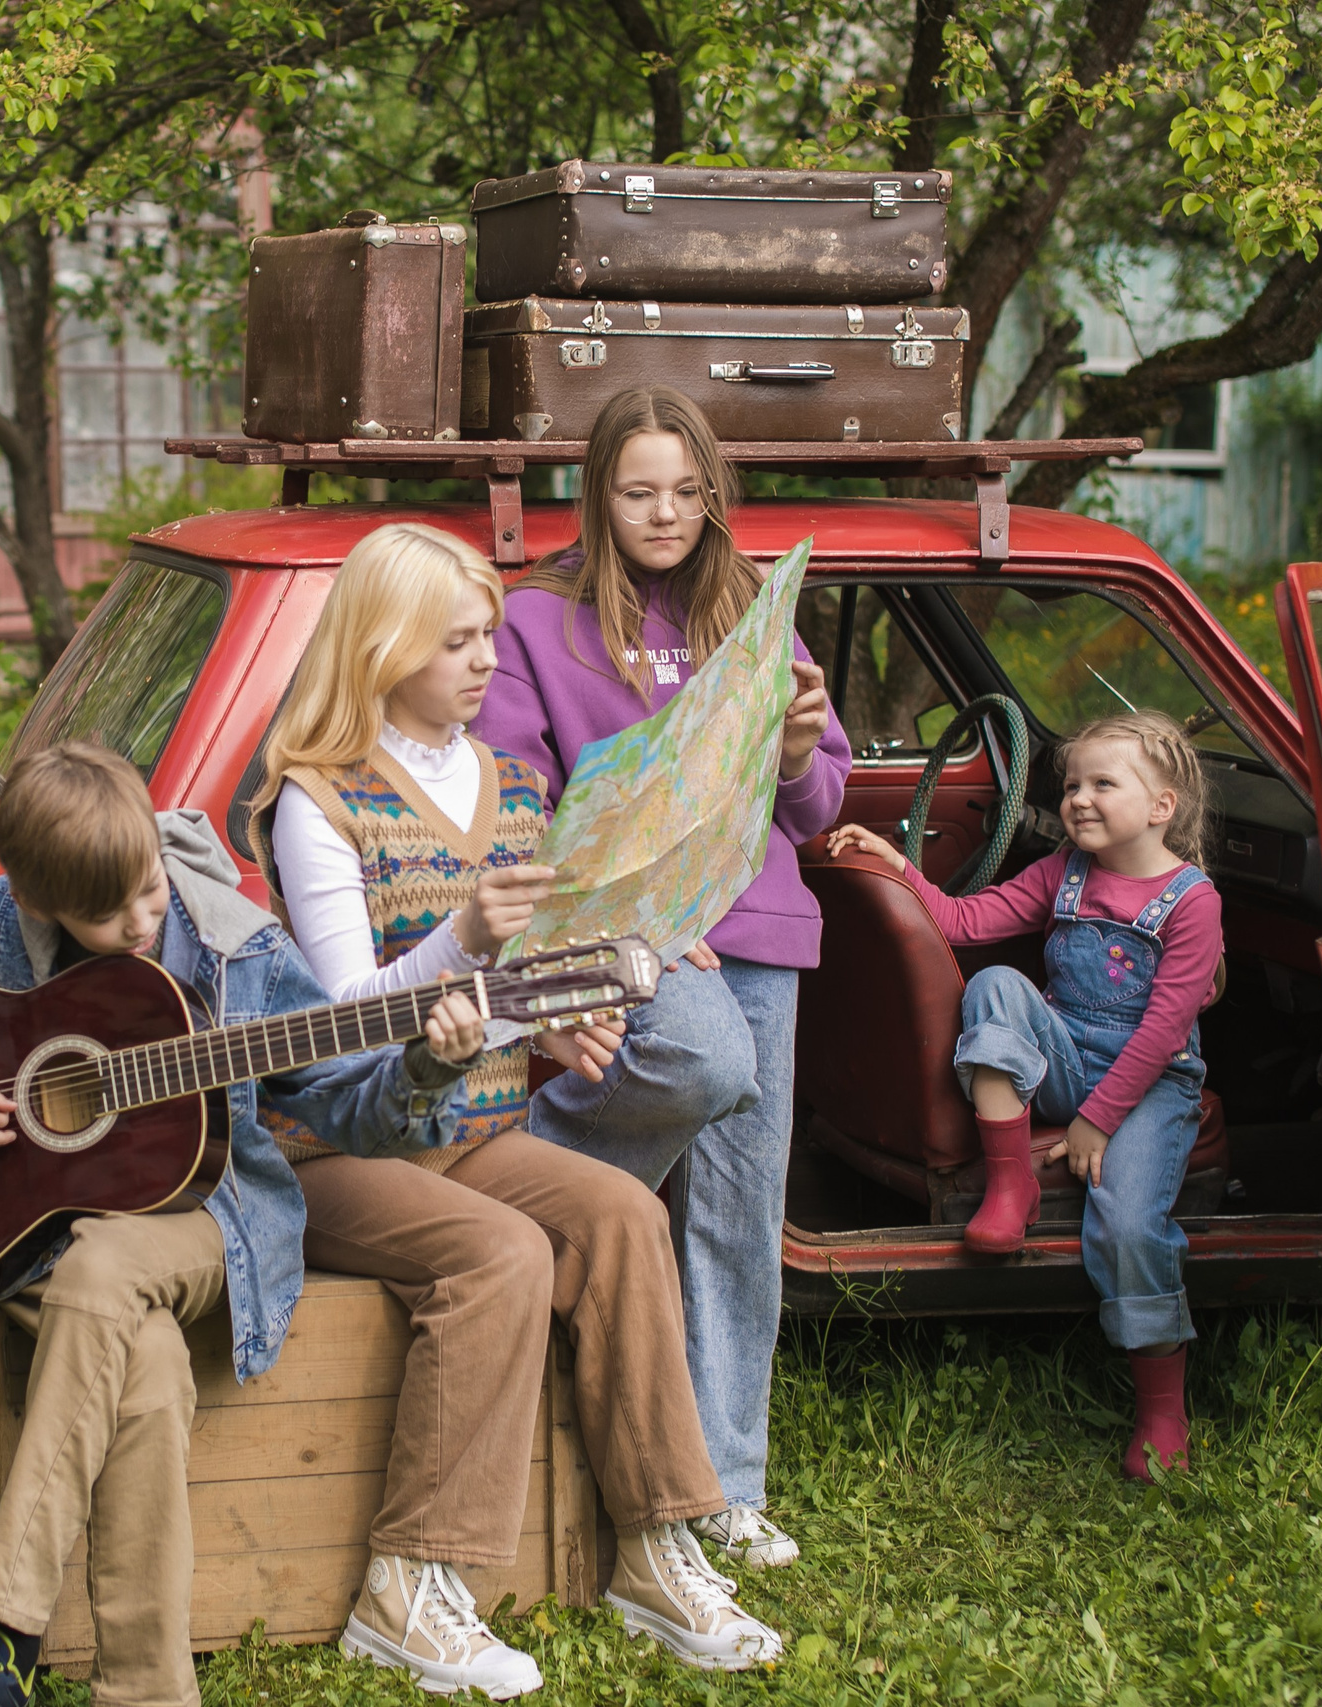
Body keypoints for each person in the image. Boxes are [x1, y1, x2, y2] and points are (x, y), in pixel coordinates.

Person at [0, 742, 491, 1707]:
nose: (143, 921)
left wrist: (427, 1067)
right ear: (36, 898)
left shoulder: (238, 948)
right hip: (26, 1231)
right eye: (110, 914)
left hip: (207, 1219)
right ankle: (147, 1693)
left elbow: (349, 1107)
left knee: (107, 1266)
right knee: (143, 1370)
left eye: (148, 888)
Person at [249, 522, 784, 1696]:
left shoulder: (523, 786)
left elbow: (521, 974)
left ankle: (651, 1544)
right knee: (498, 1255)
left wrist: (569, 1002)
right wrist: (463, 939)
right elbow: (343, 1017)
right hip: (341, 1148)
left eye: (490, 633)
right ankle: (408, 1587)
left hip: (476, 1131)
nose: (486, 658)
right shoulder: (317, 800)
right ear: (385, 649)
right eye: (455, 641)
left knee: (617, 1216)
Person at [474, 385, 849, 1565]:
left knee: (742, 1211)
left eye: (687, 492)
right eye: (638, 492)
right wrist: (624, 912)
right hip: (631, 939)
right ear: (596, 494)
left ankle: (722, 1483)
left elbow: (819, 805)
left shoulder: (752, 611)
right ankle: (518, 1177)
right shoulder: (538, 622)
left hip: (763, 927)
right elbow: (512, 799)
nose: (665, 514)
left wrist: (796, 752)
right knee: (703, 1061)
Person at [824, 709, 1223, 1480]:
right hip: (1071, 1052)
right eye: (1073, 783)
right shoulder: (1063, 870)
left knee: (1130, 1223)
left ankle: (1161, 1406)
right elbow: (966, 921)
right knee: (999, 983)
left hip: (1151, 1082)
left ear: (1162, 805)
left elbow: (1165, 1026)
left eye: (1104, 783)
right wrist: (897, 867)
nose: (1078, 798)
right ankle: (1011, 1183)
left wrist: (1098, 1123)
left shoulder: (1191, 900)